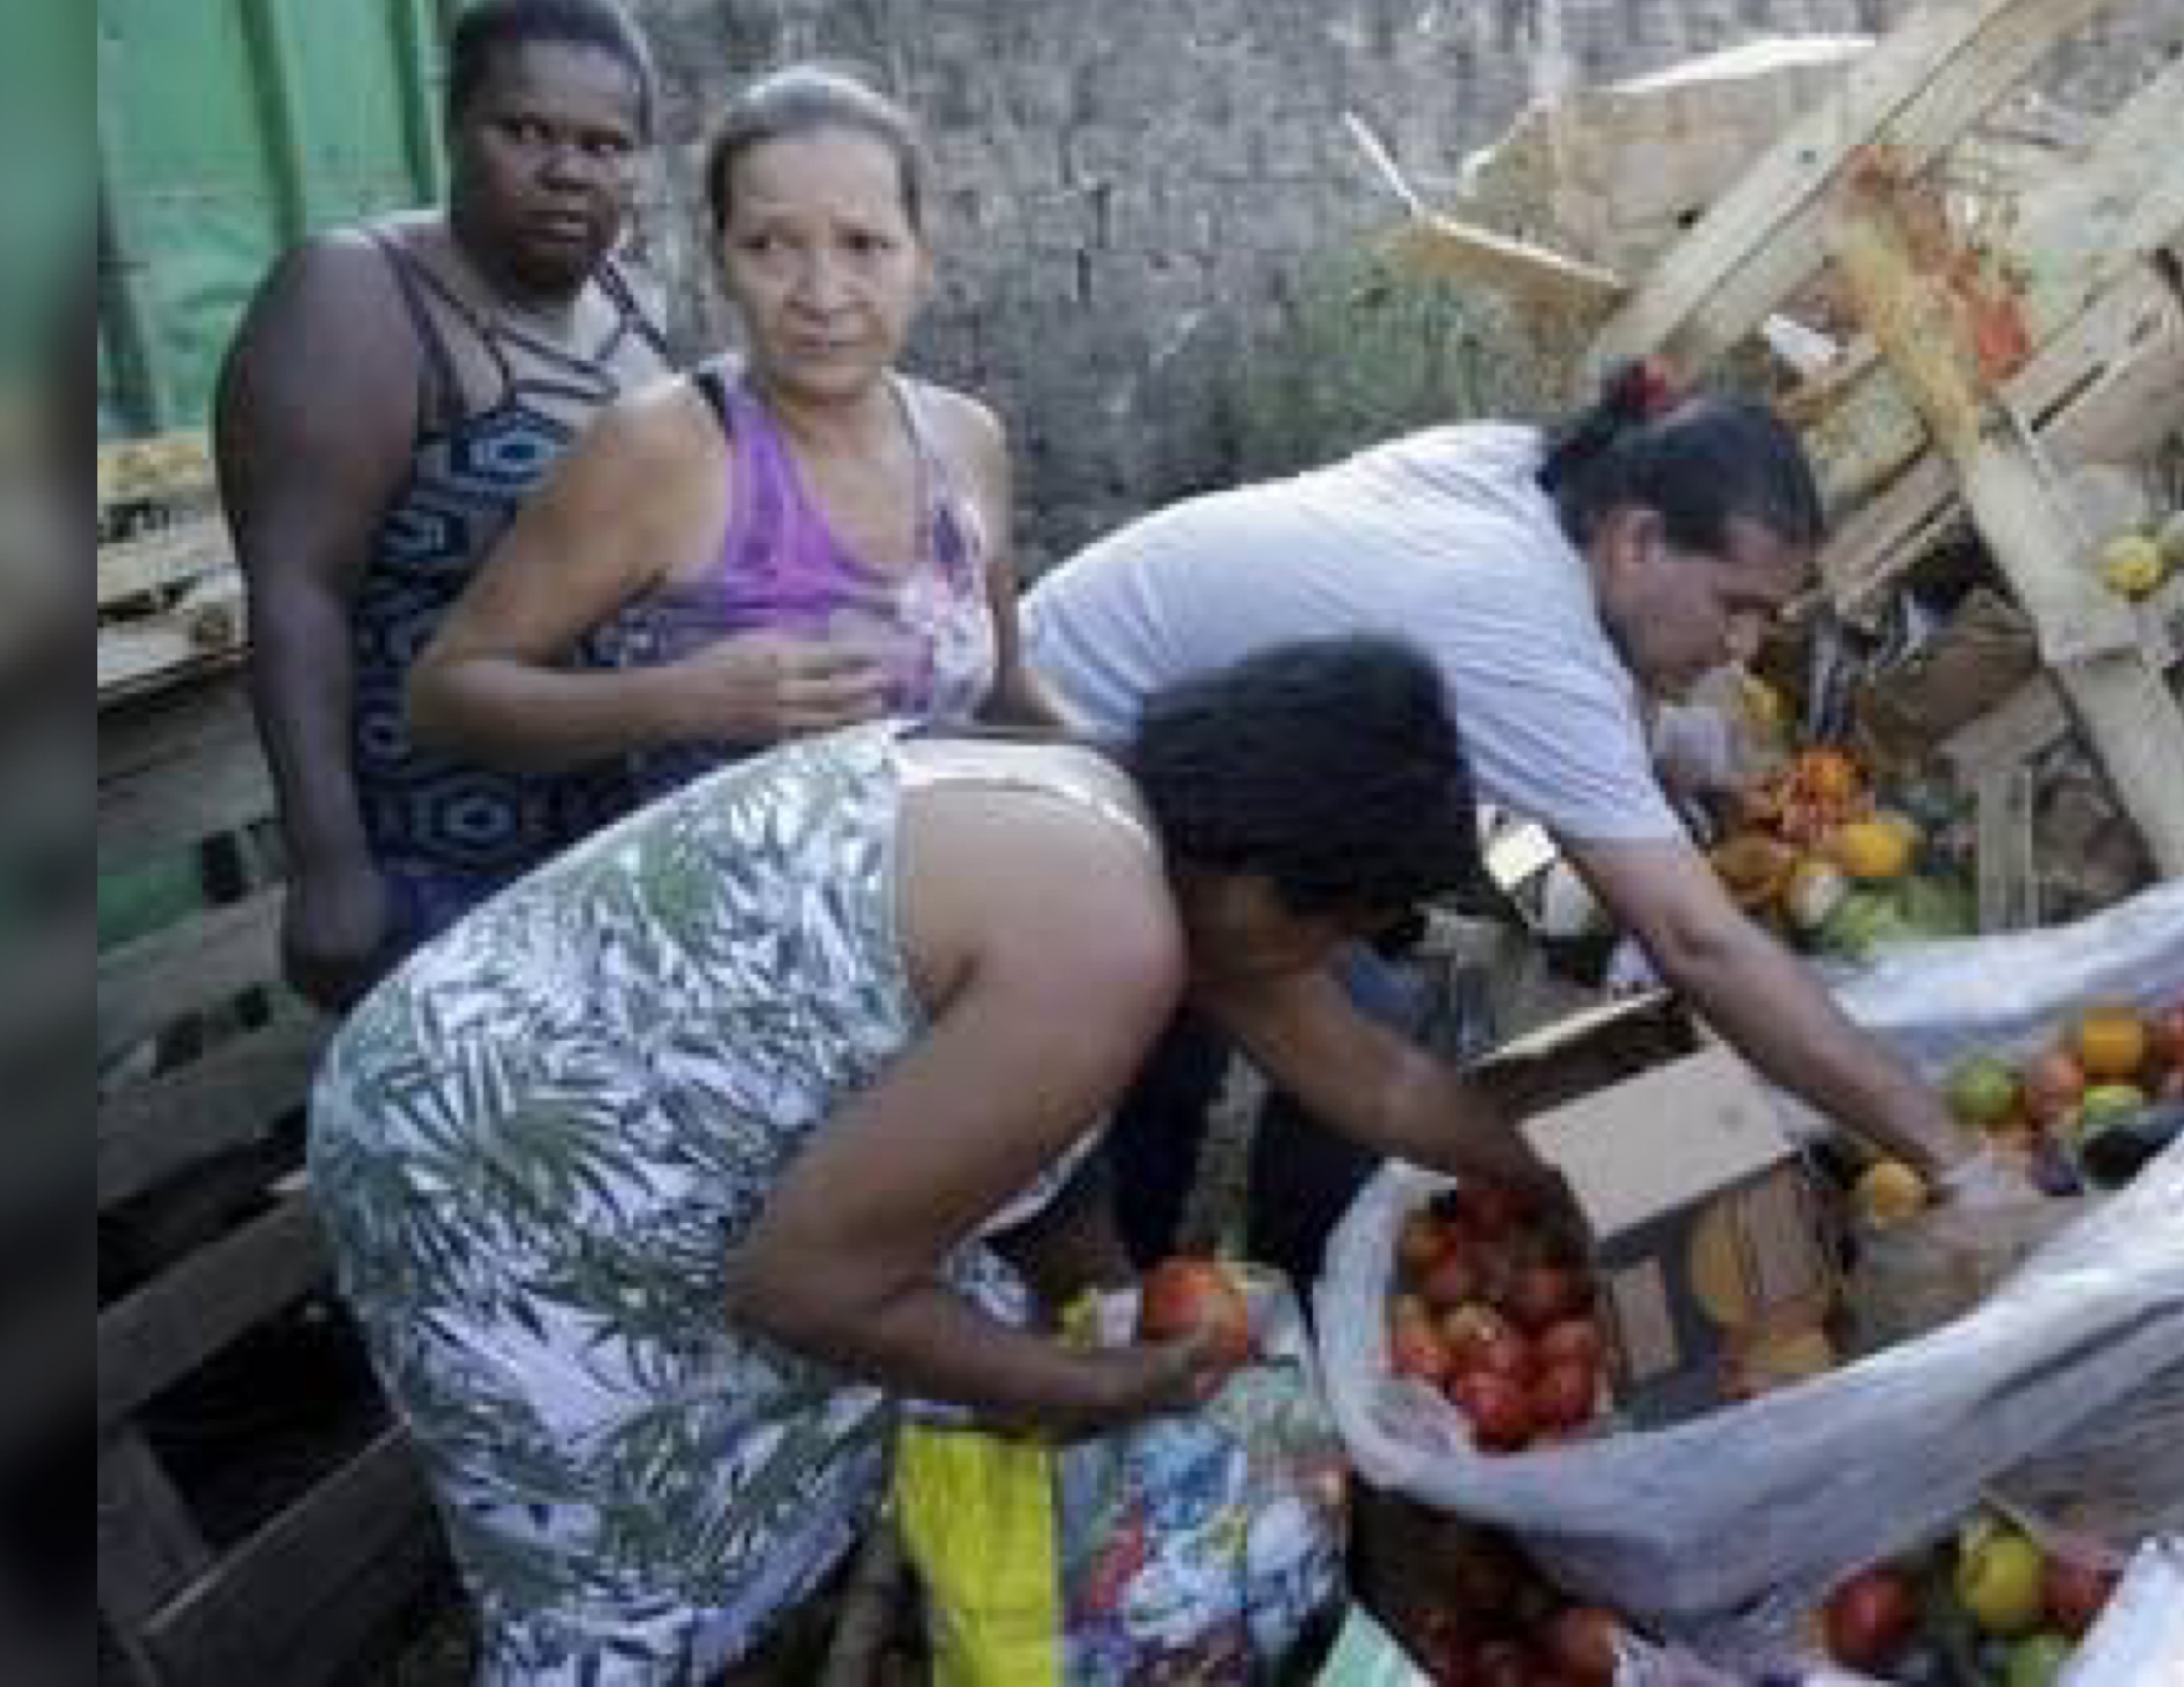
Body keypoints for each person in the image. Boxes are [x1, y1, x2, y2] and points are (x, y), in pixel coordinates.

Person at [308, 636, 1548, 1681]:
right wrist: (1089, 1389)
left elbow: (1378, 1079)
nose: (1328, 963)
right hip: (490, 1163)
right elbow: (808, 1290)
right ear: (1277, 887)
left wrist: (1576, 1168)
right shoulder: (1106, 938)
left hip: (577, 1087)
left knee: (956, 1337)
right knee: (612, 1592)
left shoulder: (1104, 807)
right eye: (1338, 928)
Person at [1021, 368, 1988, 1281]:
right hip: (1078, 788)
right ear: (1640, 540)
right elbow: (1699, 940)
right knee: (1126, 1094)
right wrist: (1954, 1157)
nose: (1741, 646)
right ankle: (1191, 1298)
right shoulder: (1523, 632)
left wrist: (1598, 1163)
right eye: (1734, 607)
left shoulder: (1536, 477)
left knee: (1345, 1025)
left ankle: (1220, 1280)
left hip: (1106, 724)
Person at [216, 0, 675, 1010]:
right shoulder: (357, 296)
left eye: (603, 146)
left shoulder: (630, 309)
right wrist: (328, 866)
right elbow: (298, 593)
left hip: (615, 851)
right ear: (457, 126)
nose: (567, 172)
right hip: (432, 866)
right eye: (525, 131)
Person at [409, 64, 1057, 801]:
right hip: (732, 904)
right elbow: (443, 699)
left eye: (864, 245)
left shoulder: (966, 441)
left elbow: (1006, 691)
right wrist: (681, 699)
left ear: (923, 260)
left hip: (953, 873)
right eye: (770, 246)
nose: (822, 293)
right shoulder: (663, 450)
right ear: (719, 262)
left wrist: (1127, 780)